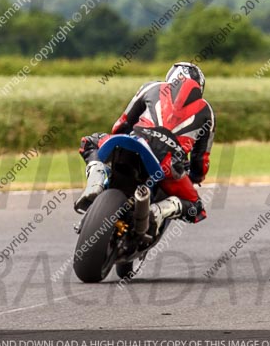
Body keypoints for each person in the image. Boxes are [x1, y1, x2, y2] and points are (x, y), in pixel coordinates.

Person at [75, 62, 215, 228]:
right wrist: (195, 177)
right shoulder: (207, 111)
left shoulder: (151, 87)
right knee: (196, 208)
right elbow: (201, 159)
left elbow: (121, 124)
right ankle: (160, 210)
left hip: (137, 141)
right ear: (200, 87)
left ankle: (95, 182)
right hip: (169, 163)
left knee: (90, 142)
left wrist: (123, 137)